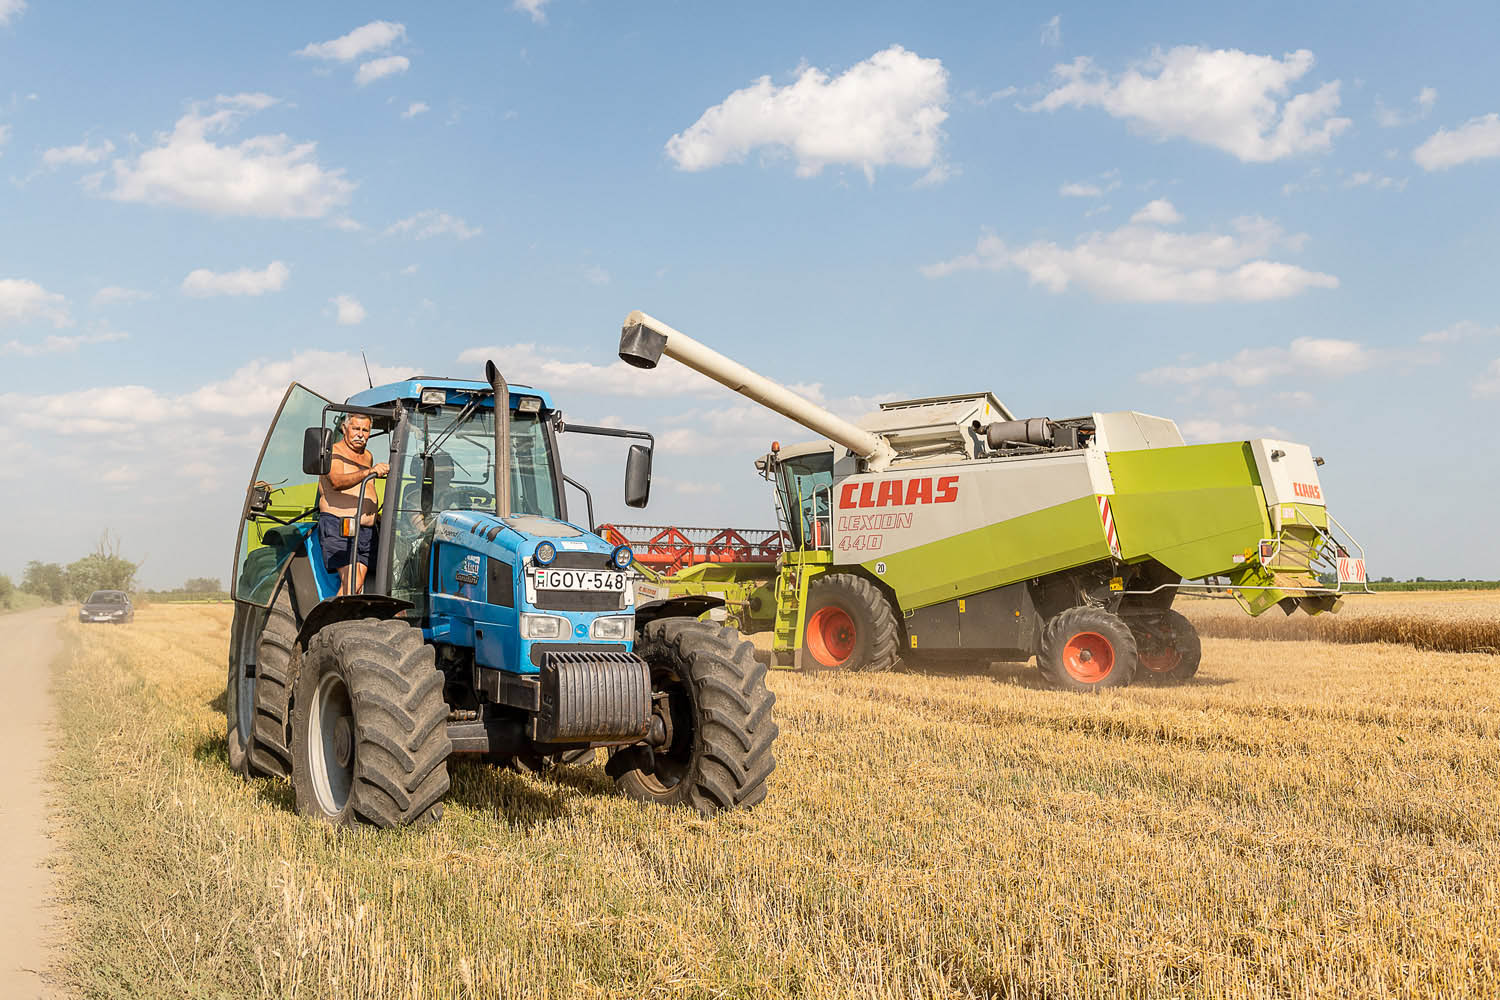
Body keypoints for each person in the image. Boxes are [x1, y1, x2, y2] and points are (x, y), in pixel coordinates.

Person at [318, 413, 388, 595]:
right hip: (340, 525)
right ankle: (333, 622)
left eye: (365, 430)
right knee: (352, 583)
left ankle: (344, 621)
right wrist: (370, 472)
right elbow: (336, 482)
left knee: (356, 587)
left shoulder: (367, 456)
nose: (360, 434)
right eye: (356, 428)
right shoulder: (333, 452)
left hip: (366, 531)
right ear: (344, 428)